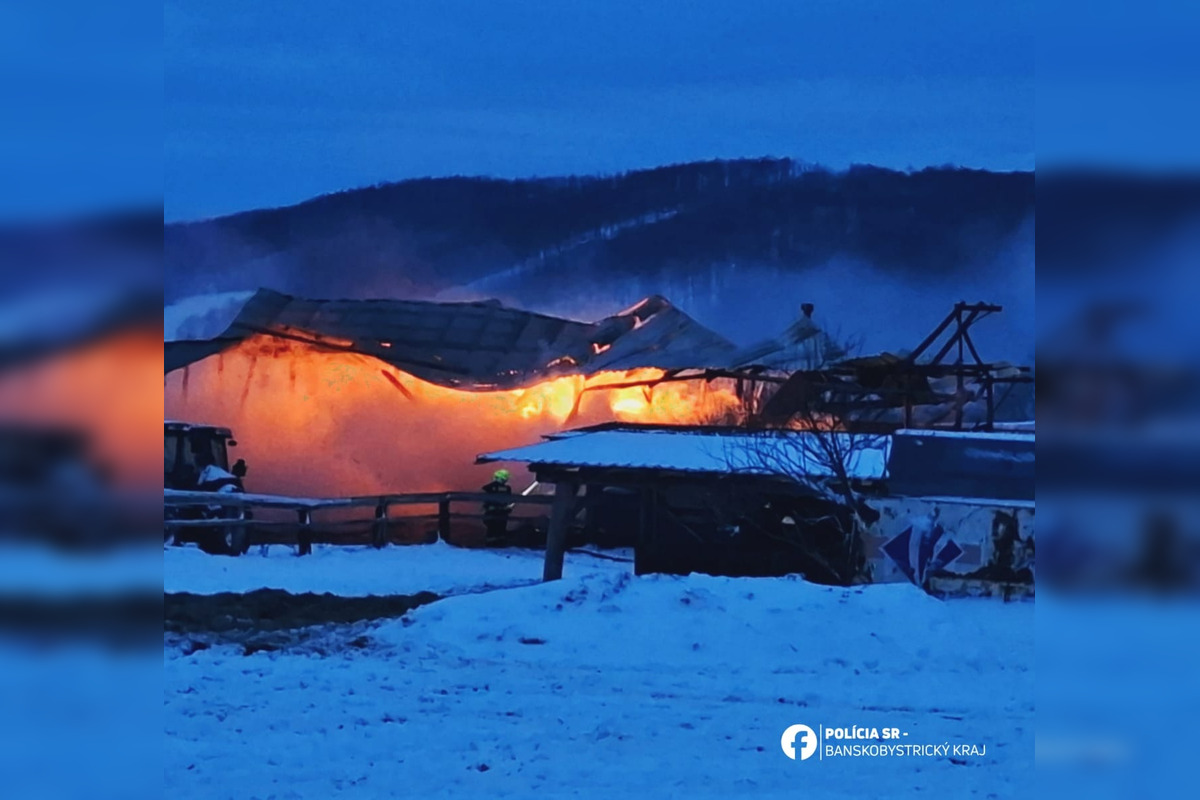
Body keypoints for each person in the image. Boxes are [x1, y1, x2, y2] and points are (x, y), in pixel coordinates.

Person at [482, 469, 514, 546]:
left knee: (491, 530)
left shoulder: (487, 487)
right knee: (500, 530)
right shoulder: (507, 488)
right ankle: (499, 543)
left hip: (491, 513)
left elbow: (483, 499)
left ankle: (490, 544)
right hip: (503, 513)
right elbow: (509, 500)